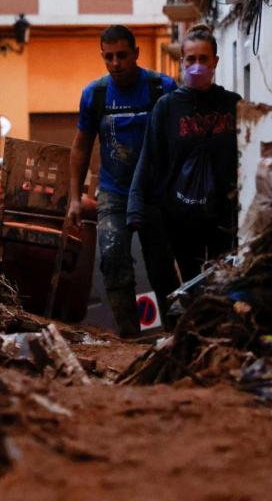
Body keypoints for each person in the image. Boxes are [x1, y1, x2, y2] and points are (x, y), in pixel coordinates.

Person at [128, 23, 242, 328]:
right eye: (190, 59)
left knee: (221, 281)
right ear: (182, 62)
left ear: (215, 62)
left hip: (223, 214)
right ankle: (193, 342)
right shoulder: (166, 108)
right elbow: (149, 159)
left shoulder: (233, 105)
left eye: (203, 59)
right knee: (191, 283)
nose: (196, 66)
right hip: (180, 216)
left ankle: (219, 339)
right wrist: (136, 206)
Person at [67, 25, 177, 338]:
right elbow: (81, 147)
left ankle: (173, 332)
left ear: (136, 53)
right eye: (109, 57)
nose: (116, 63)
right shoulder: (95, 94)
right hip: (113, 193)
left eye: (122, 55)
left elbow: (179, 143)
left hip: (155, 193)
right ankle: (130, 336)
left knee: (161, 265)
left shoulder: (162, 88)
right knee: (113, 258)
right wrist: (75, 197)